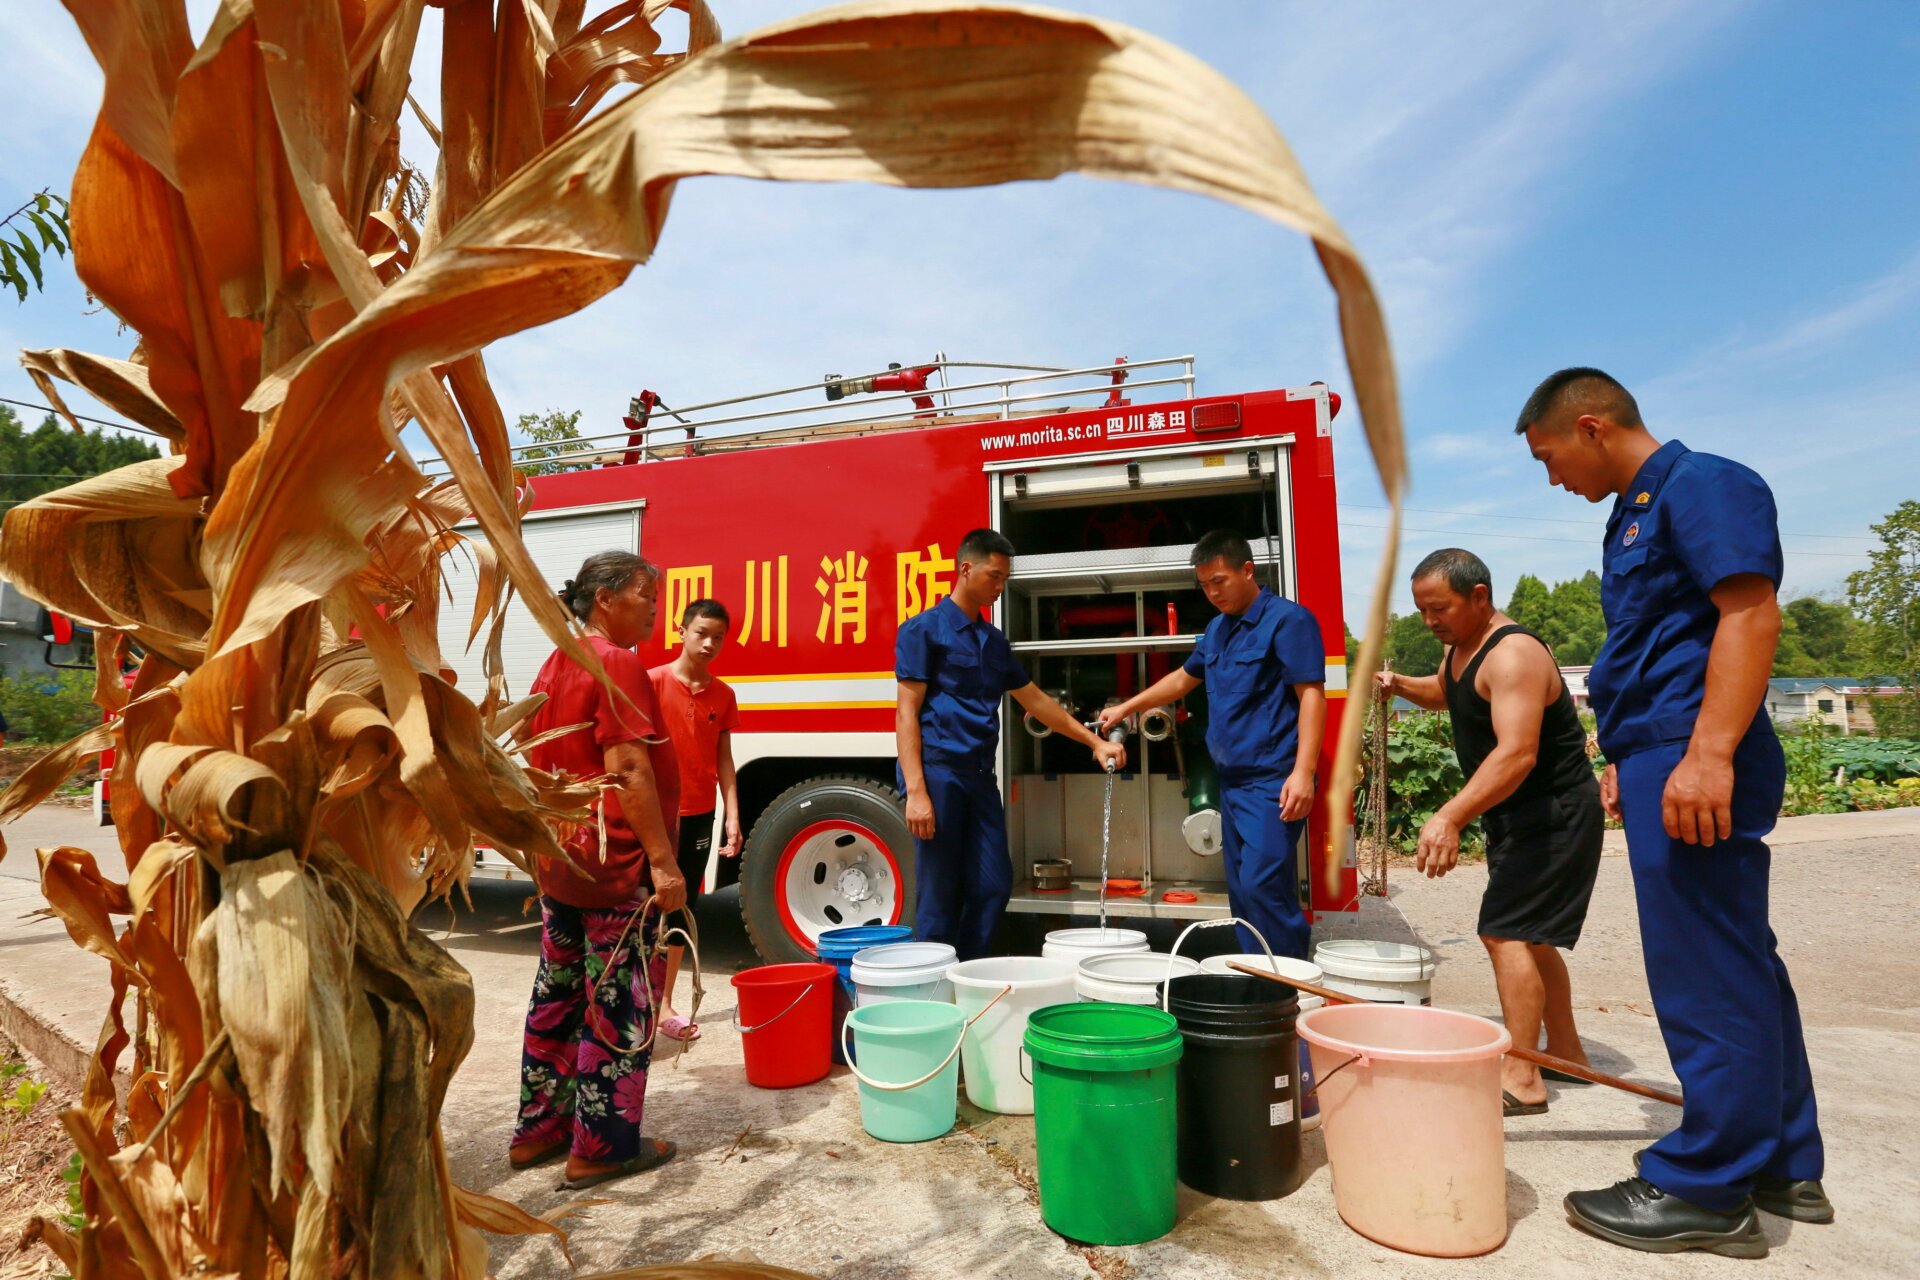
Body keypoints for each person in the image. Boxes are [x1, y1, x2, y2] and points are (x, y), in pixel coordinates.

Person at [1518, 367, 1828, 1257]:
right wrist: (1634, 755)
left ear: (1590, 426)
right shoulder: (1636, 512)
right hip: (1665, 748)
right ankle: (1780, 1161)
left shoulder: (1703, 484)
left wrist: (1706, 754)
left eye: (1550, 458)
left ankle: (1707, 1186)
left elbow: (1750, 613)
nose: (1553, 480)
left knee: (1705, 968)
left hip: (1696, 749)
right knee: (1738, 959)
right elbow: (1662, 642)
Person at [1378, 547, 1603, 1118]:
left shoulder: (1514, 655)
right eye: (1422, 610)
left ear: (1480, 597)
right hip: (1517, 813)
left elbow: (1518, 753)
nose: (1430, 622)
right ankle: (1568, 1054)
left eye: (1440, 609)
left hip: (1553, 812)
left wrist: (1449, 815)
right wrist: (1400, 683)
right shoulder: (1462, 649)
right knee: (1529, 934)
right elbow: (1449, 692)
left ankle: (1524, 1073)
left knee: (1504, 932)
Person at [510, 551, 685, 1190]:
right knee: (618, 1006)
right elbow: (629, 769)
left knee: (556, 1002)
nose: (655, 608)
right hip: (613, 869)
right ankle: (601, 1148)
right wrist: (663, 864)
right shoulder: (615, 661)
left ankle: (539, 1132)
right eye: (646, 595)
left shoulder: (554, 660)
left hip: (564, 862)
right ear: (605, 598)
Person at [895, 528, 1125, 960]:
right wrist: (917, 791)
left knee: (993, 884)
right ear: (966, 569)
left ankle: (968, 971)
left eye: (1005, 580)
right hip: (939, 773)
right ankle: (933, 993)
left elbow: (1035, 700)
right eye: (994, 577)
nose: (1000, 588)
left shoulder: (993, 641)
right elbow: (906, 712)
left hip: (980, 778)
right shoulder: (922, 632)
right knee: (939, 896)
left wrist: (1092, 742)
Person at [1100, 530, 1326, 958]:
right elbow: (1183, 678)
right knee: (1242, 892)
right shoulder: (1217, 630)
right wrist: (1129, 705)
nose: (1212, 592)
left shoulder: (1289, 620)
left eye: (1219, 580)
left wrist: (1303, 773)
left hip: (1271, 782)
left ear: (1247, 570)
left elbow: (1311, 696)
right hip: (1232, 784)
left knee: (1264, 885)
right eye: (1204, 585)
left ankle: (1291, 986)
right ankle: (1256, 979)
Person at [648, 598, 742, 1042]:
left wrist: (733, 816)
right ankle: (632, 1004)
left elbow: (723, 757)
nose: (708, 643)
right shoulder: (651, 683)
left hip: (700, 813)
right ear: (680, 630)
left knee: (682, 912)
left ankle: (665, 1007)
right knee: (643, 909)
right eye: (701, 633)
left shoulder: (723, 695)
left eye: (718, 637)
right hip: (653, 815)